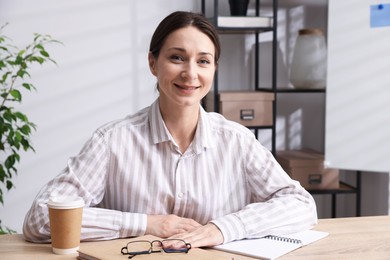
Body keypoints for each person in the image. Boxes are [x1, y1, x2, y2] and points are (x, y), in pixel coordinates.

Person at [23, 11, 317, 248]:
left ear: (214, 69)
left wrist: (222, 228)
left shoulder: (237, 140)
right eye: (177, 57)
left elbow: (301, 205)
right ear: (153, 63)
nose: (190, 73)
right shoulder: (112, 141)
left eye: (203, 61)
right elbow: (40, 219)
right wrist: (148, 224)